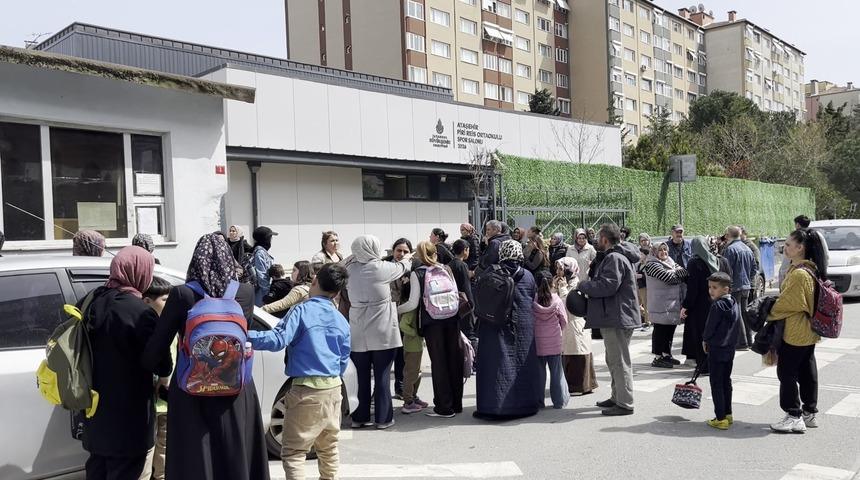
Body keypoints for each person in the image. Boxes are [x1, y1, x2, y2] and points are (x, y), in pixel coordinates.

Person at [142, 234, 269, 480]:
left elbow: (157, 347)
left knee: (194, 459)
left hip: (192, 388)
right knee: (235, 454)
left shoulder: (181, 294)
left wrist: (158, 372)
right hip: (236, 387)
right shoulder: (244, 292)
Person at [247, 263, 351, 480]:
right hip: (333, 389)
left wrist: (243, 334)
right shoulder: (340, 319)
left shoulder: (302, 311)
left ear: (313, 281)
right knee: (328, 448)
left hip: (306, 390)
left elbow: (277, 340)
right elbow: (343, 359)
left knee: (294, 452)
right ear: (337, 291)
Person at [79, 246, 169, 480]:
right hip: (129, 418)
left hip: (93, 411)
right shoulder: (140, 311)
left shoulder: (88, 301)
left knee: (97, 470)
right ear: (141, 273)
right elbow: (161, 364)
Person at [343, 235, 412, 429]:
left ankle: (360, 417)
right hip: (382, 332)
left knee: (361, 377)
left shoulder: (349, 271)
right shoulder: (382, 268)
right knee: (382, 376)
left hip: (357, 332)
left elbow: (338, 266)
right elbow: (403, 266)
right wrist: (408, 257)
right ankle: (383, 418)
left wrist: (352, 256)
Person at [474, 240, 544, 420]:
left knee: (495, 365)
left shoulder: (491, 272)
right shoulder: (528, 275)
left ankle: (493, 405)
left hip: (494, 325)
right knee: (523, 363)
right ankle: (525, 404)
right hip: (523, 325)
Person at [578, 224, 641, 416]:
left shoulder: (614, 257)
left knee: (619, 361)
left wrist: (584, 286)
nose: (596, 241)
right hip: (616, 315)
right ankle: (617, 397)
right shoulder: (615, 256)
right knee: (613, 359)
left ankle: (624, 403)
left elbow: (608, 286)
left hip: (617, 316)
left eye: (598, 238)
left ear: (605, 239)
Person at [768, 228, 826, 434]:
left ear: (800, 248)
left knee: (787, 371)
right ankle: (809, 412)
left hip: (796, 330)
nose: (785, 247)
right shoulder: (811, 269)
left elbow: (788, 303)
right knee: (806, 370)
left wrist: (766, 311)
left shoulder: (799, 273)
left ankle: (793, 415)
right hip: (809, 330)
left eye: (789, 244)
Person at [398, 241, 464, 418]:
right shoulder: (446, 269)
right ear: (436, 252)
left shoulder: (418, 273)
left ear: (418, 255)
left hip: (432, 322)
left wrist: (396, 309)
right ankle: (456, 404)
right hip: (452, 318)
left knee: (439, 363)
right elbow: (456, 294)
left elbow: (413, 302)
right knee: (453, 360)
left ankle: (444, 407)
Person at [680, 237, 733, 372]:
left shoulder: (695, 263)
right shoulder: (721, 260)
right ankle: (716, 364)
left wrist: (686, 306)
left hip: (700, 306)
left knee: (701, 335)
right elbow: (729, 279)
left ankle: (704, 366)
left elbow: (693, 288)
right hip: (721, 302)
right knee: (716, 334)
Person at [141, 277, 172, 480]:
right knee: (147, 447)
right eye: (164, 300)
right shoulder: (144, 327)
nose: (168, 305)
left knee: (164, 444)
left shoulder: (172, 326)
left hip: (166, 399)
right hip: (147, 400)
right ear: (147, 301)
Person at [702, 272, 742, 430]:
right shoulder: (734, 303)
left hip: (717, 348)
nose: (711, 290)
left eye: (715, 288)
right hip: (729, 348)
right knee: (726, 381)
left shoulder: (717, 306)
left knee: (716, 383)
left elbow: (710, 327)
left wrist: (705, 339)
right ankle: (728, 413)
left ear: (726, 289)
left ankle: (720, 418)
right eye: (710, 287)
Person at [553, 257, 598, 395]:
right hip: (565, 324)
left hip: (575, 323)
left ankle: (580, 386)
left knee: (577, 352)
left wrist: (562, 289)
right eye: (558, 268)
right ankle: (570, 384)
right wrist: (555, 287)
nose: (559, 272)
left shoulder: (576, 283)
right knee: (568, 353)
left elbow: (569, 304)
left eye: (562, 268)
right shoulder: (562, 282)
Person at [643, 242, 688, 368]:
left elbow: (684, 273)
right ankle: (658, 357)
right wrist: (677, 274)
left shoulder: (670, 261)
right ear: (655, 252)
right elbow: (669, 278)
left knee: (669, 330)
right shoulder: (651, 264)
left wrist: (676, 274)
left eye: (665, 249)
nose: (664, 252)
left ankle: (667, 354)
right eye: (660, 250)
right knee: (660, 330)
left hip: (671, 303)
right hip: (659, 304)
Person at [383, 238, 415, 401]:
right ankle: (380, 391)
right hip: (387, 316)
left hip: (405, 317)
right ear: (393, 250)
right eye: (398, 250)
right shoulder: (384, 267)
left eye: (405, 251)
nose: (401, 254)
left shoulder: (412, 268)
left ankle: (401, 387)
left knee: (403, 354)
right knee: (386, 355)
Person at [532, 275, 569, 409]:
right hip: (554, 341)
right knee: (556, 373)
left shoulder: (533, 300)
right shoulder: (557, 300)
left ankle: (539, 402)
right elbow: (564, 321)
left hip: (538, 342)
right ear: (552, 284)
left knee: (539, 374)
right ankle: (559, 402)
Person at [722, 226, 757, 350]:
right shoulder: (747, 248)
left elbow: (727, 269)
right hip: (746, 285)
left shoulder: (730, 249)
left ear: (728, 235)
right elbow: (754, 269)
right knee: (743, 313)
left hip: (735, 286)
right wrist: (747, 278)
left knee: (738, 314)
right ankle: (749, 340)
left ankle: (742, 342)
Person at [778, 215, 830, 287]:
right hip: (817, 277)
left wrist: (783, 279)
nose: (785, 249)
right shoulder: (817, 235)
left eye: (788, 245)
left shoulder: (798, 275)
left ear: (797, 224)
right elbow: (826, 256)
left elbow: (785, 265)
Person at [450, 239, 477, 351]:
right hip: (464, 303)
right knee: (469, 332)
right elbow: (466, 287)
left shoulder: (449, 264)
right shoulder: (462, 265)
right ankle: (473, 359)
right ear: (465, 250)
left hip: (453, 302)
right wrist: (471, 304)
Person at [251, 226, 278, 306]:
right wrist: (267, 294)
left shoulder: (261, 251)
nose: (271, 240)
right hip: (261, 293)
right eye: (270, 237)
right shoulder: (260, 253)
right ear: (266, 239)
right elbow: (262, 275)